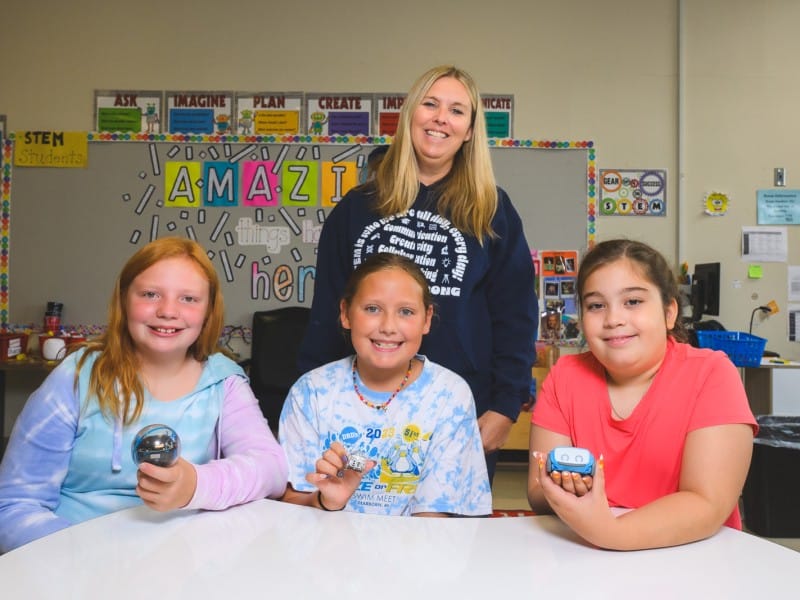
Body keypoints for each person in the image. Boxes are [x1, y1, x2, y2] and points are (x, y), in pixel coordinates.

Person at [298, 65, 538, 482]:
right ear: (410, 116)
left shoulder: (492, 210)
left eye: (457, 110)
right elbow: (326, 312)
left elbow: (516, 315)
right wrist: (308, 399)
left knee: (449, 537)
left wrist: (505, 405)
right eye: (430, 104)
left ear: (469, 131)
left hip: (463, 408)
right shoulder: (357, 207)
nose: (441, 118)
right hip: (360, 407)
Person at [0, 237, 288, 553]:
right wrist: (82, 561)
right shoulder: (77, 377)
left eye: (189, 298)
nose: (167, 311)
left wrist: (195, 485)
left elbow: (271, 469)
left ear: (208, 311)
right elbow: (13, 505)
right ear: (124, 299)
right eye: (150, 294)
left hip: (182, 565)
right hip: (79, 566)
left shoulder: (224, 381)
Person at [527, 239, 757, 551]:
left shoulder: (712, 375)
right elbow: (538, 493)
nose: (613, 319)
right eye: (596, 305)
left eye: (633, 301)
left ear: (669, 312)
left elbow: (706, 503)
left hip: (691, 558)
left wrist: (610, 533)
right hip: (585, 556)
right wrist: (566, 486)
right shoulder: (565, 376)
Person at [280, 252, 491, 516]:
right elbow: (291, 505)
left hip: (421, 550)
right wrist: (327, 502)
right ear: (345, 314)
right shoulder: (310, 392)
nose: (388, 327)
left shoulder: (449, 394)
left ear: (426, 319)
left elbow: (436, 517)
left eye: (406, 312)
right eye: (372, 309)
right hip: (328, 551)